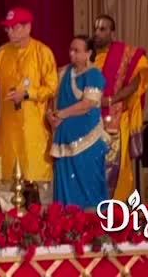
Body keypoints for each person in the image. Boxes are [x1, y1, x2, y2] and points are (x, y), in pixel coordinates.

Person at [0, 7, 58, 205]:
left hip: (34, 127)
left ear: (27, 27)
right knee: (6, 179)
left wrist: (27, 93)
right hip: (9, 128)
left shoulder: (42, 52)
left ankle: (50, 222)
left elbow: (51, 87)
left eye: (13, 28)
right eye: (7, 29)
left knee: (42, 178)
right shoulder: (2, 52)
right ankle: (9, 223)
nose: (9, 32)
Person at [92, 15, 148, 201]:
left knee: (117, 165)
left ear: (112, 32)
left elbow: (134, 84)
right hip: (92, 120)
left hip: (117, 118)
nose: (97, 33)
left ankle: (117, 209)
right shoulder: (90, 56)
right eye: (96, 29)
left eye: (103, 29)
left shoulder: (126, 54)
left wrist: (111, 100)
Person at [48, 35, 109, 208]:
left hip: (88, 141)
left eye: (77, 51)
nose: (72, 54)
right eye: (71, 50)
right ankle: (65, 227)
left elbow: (88, 104)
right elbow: (52, 100)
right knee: (65, 185)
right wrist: (50, 116)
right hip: (63, 140)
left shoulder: (94, 74)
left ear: (89, 53)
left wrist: (62, 114)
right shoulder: (63, 73)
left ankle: (94, 228)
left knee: (89, 185)